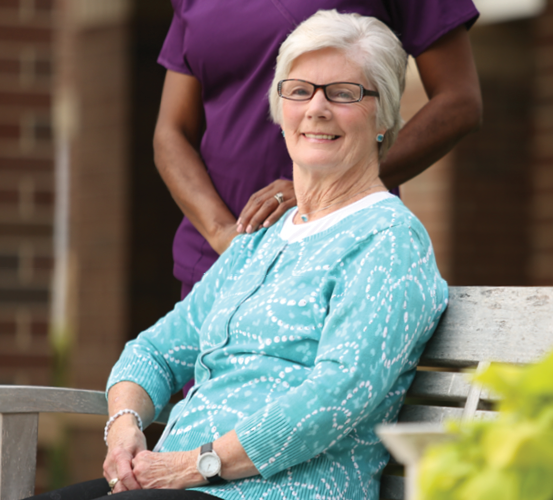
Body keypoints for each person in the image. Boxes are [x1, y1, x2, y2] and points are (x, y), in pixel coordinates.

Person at [27, 11, 448, 500]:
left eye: (344, 93)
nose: (316, 107)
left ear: (385, 117)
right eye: (299, 90)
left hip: (276, 491)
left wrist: (196, 464)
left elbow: (336, 395)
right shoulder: (261, 239)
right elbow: (156, 351)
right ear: (280, 107)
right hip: (178, 483)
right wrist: (124, 429)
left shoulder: (389, 240)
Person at [154, 0, 481, 302]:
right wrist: (225, 236)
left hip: (335, 257)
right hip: (217, 267)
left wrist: (327, 190)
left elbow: (459, 102)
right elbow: (171, 132)